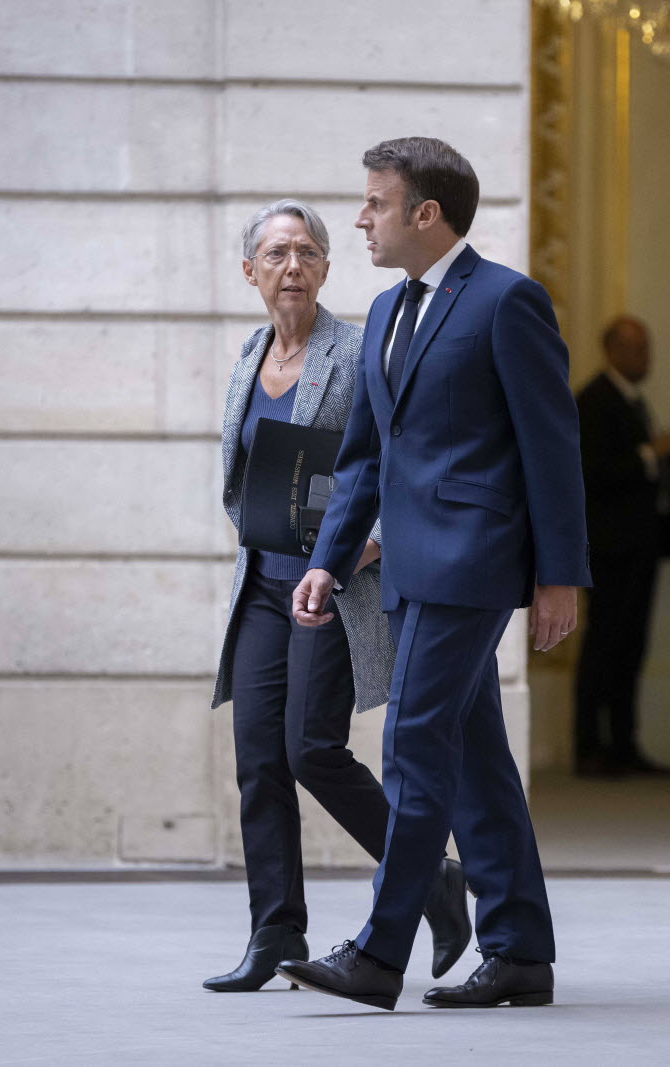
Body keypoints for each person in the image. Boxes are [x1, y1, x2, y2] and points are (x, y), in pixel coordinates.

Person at [276, 137, 590, 1011]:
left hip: (476, 563)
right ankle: (521, 950)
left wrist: (560, 574)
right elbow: (365, 457)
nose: (361, 218)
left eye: (375, 203)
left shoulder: (506, 301)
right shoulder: (383, 312)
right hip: (411, 569)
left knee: (414, 743)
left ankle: (380, 953)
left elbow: (551, 444)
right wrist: (328, 562)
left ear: (426, 213)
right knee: (478, 758)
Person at [205, 199, 469, 994]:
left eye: (307, 252)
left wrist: (374, 539)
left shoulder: (358, 353)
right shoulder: (251, 353)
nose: (293, 266)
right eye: (276, 254)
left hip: (336, 584)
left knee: (310, 747)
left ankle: (431, 876)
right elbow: (242, 475)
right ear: (249, 271)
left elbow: (402, 461)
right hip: (262, 586)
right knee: (259, 760)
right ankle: (274, 929)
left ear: (326, 267)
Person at [572, 315, 670, 778]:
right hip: (609, 547)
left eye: (648, 348)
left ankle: (623, 744)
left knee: (630, 646)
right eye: (637, 348)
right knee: (603, 643)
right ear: (612, 351)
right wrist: (651, 454)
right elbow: (593, 472)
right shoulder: (594, 400)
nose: (646, 358)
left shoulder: (632, 401)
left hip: (638, 545)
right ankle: (590, 746)